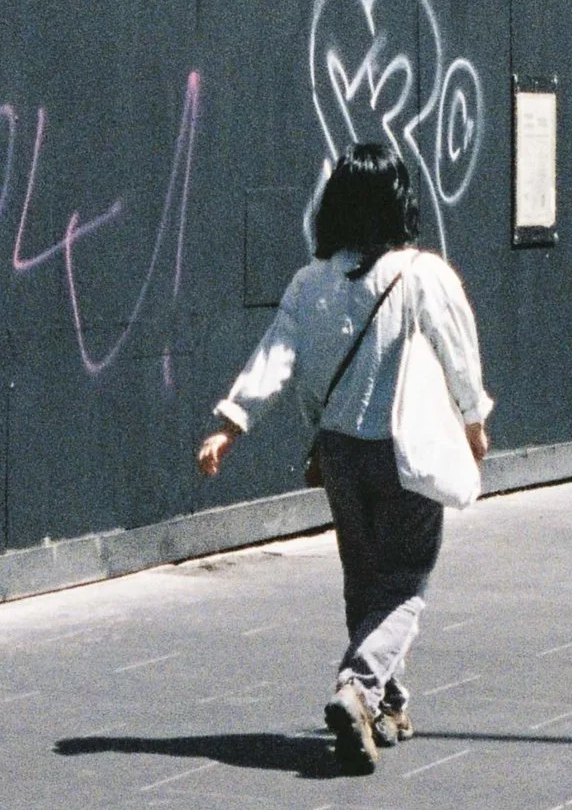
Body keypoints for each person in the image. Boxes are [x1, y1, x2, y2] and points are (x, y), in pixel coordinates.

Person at [196, 142, 492, 772]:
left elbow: (276, 355)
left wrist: (231, 424)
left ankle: (387, 703)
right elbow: (458, 351)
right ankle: (358, 688)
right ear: (400, 202)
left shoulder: (311, 281)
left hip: (338, 453)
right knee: (405, 581)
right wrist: (474, 419)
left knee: (364, 578)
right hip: (405, 450)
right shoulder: (423, 274)